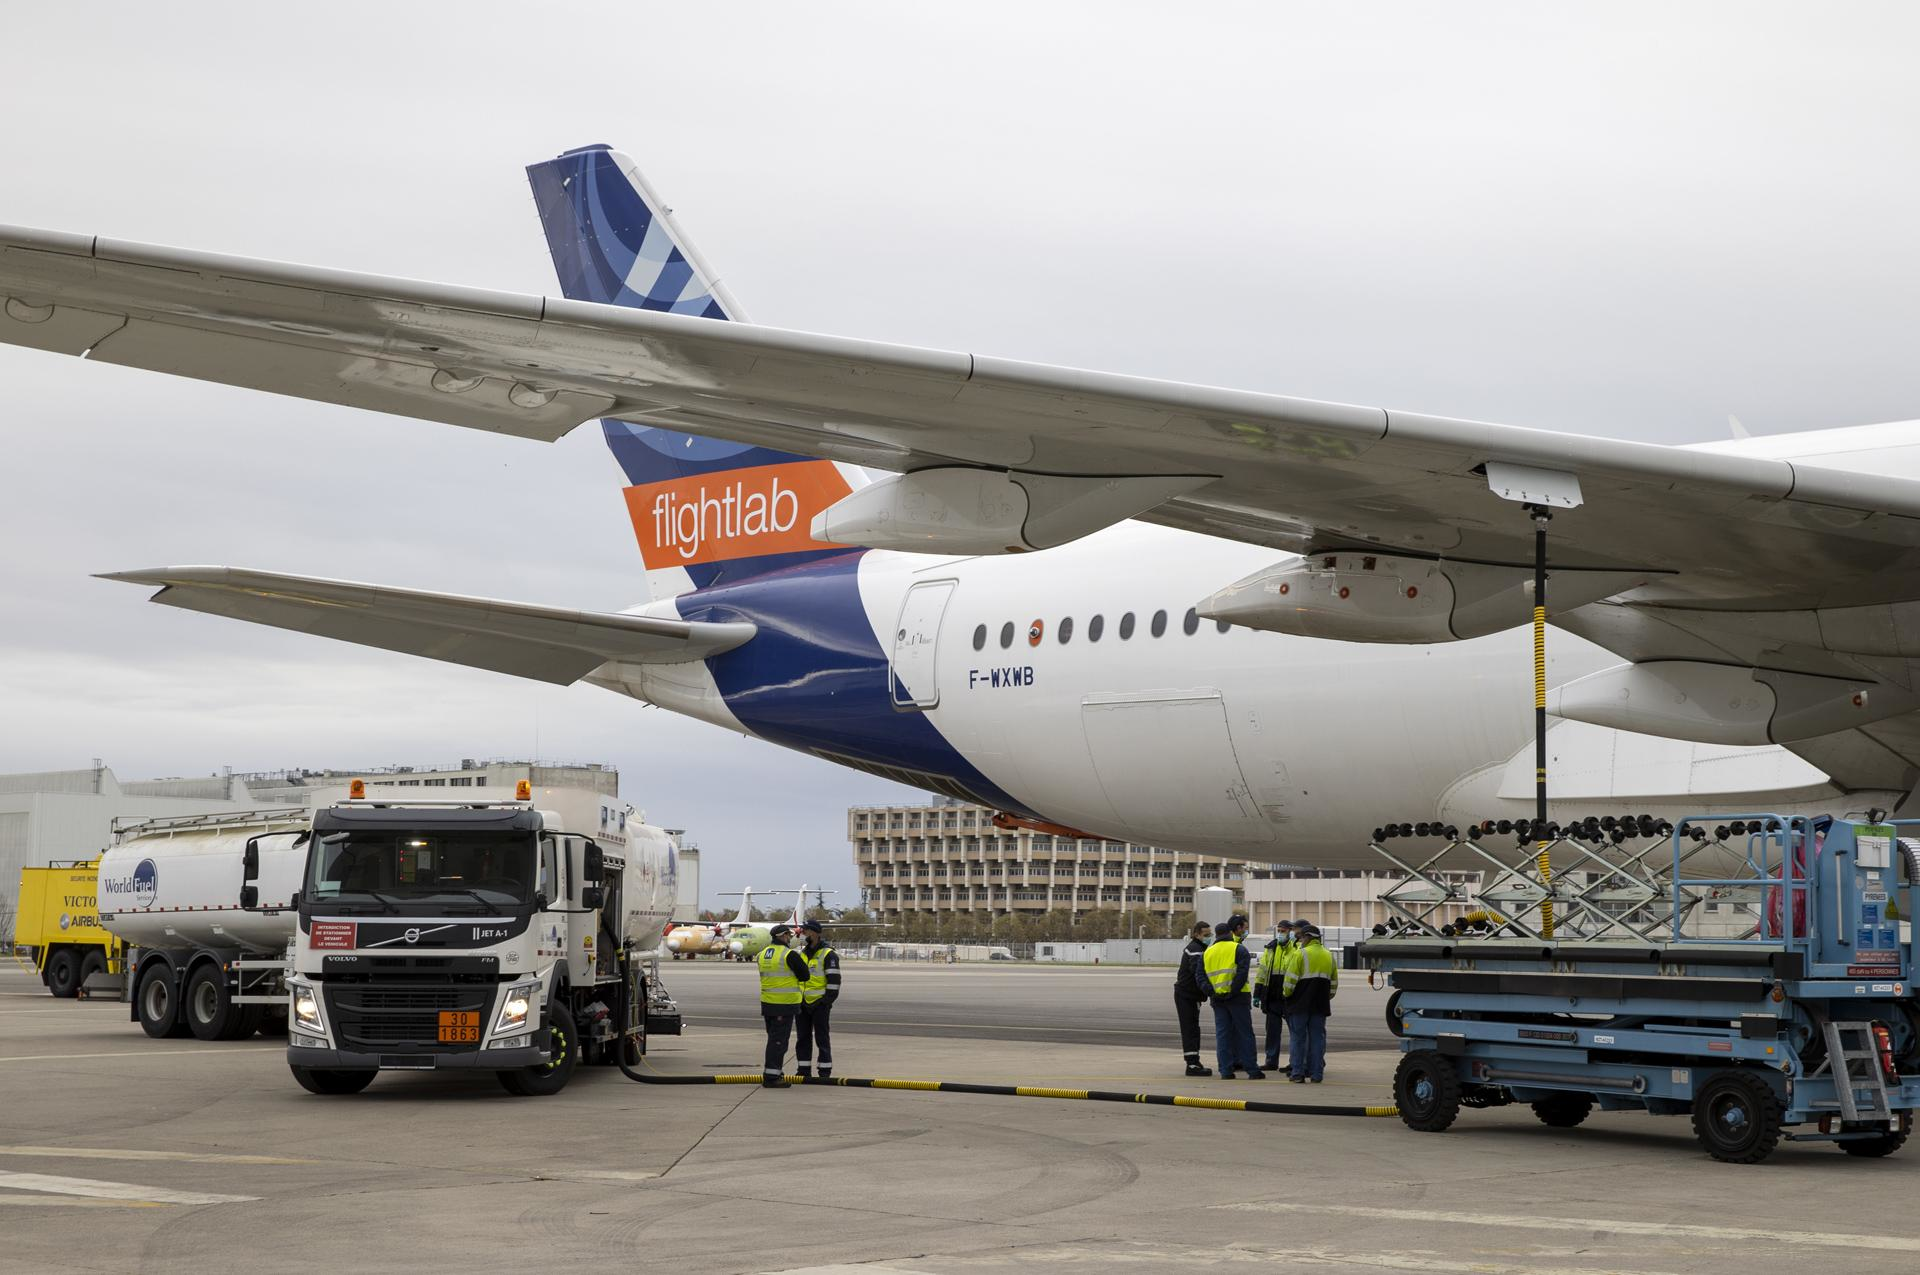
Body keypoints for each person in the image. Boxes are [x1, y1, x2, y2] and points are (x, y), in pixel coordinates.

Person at [1199, 915, 1262, 1079]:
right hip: (1238, 998)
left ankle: (1225, 1070)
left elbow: (1200, 977)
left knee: (1223, 1035)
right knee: (1245, 1034)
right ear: (1229, 932)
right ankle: (1252, 1069)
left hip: (1217, 1000)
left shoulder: (1207, 952)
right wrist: (1232, 992)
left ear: (1216, 934)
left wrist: (1212, 992)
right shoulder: (1239, 949)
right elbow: (1241, 975)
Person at [755, 923, 811, 1088]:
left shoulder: (762, 954)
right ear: (783, 936)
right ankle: (772, 1076)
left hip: (768, 1003)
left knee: (773, 1039)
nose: (790, 938)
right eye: (789, 935)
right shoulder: (789, 955)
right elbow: (805, 975)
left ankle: (775, 1071)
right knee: (778, 1042)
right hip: (784, 1004)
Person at [1282, 923, 1339, 1082]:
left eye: (1301, 938)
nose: (1300, 941)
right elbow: (1334, 983)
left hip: (1300, 1004)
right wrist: (1328, 997)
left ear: (1307, 937)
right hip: (1320, 1005)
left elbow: (1289, 981)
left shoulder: (1300, 954)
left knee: (1298, 1039)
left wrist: (1286, 995)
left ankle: (1298, 1074)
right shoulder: (1329, 955)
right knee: (1317, 1040)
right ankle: (1316, 1074)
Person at [796, 919, 840, 1079]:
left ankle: (824, 1071)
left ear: (814, 933)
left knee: (822, 1038)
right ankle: (803, 1071)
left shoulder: (828, 954)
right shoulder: (802, 954)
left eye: (806, 930)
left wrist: (825, 1002)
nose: (803, 933)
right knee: (803, 1039)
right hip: (803, 1003)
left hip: (820, 1004)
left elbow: (834, 982)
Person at [1251, 919, 1296, 1073]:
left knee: (1295, 1031)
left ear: (1291, 931)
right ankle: (1271, 1061)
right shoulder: (1271, 948)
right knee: (1272, 1032)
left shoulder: (1296, 948)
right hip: (1272, 996)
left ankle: (1294, 1061)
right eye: (1280, 931)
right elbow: (1262, 972)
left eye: (1284, 931)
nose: (1281, 934)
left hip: (1289, 996)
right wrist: (1257, 993)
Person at [1173, 920, 1214, 1077]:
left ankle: (1194, 1061)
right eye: (1206, 934)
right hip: (1186, 995)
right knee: (1190, 1029)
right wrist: (1210, 991)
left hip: (1191, 995)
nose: (1208, 937)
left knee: (1193, 1029)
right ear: (1196, 934)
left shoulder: (1201, 948)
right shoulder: (1195, 949)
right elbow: (1198, 972)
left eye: (1210, 934)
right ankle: (1191, 1064)